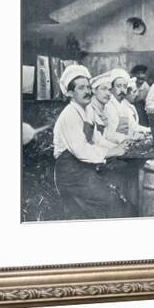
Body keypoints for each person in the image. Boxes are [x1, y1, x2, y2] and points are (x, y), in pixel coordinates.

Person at [53, 65, 135, 219]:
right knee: (110, 200)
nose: (87, 92)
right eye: (81, 88)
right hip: (70, 172)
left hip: (82, 166)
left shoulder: (86, 110)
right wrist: (112, 151)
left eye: (88, 87)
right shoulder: (70, 115)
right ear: (70, 93)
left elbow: (96, 137)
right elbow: (81, 151)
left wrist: (118, 146)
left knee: (118, 186)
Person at [105, 68, 151, 144]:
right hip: (113, 145)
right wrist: (130, 137)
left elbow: (134, 127)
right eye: (118, 86)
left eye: (125, 86)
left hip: (125, 143)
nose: (122, 90)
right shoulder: (108, 105)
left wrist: (150, 130)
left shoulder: (124, 104)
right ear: (112, 88)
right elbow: (109, 135)